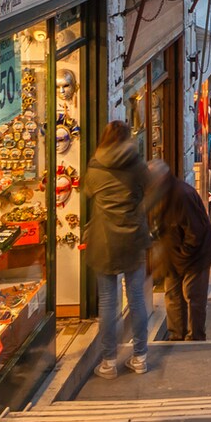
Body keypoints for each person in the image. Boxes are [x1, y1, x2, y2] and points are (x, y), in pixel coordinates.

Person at [85, 121, 152, 376]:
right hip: (133, 237)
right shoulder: (136, 165)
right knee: (136, 299)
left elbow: (89, 191)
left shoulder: (95, 165)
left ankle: (109, 362)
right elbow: (151, 190)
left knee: (108, 303)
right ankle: (140, 357)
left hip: (104, 239)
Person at [146, 160, 211, 342]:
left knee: (193, 296)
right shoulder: (158, 194)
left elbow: (195, 232)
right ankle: (176, 334)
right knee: (172, 295)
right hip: (174, 254)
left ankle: (195, 337)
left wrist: (183, 255)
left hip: (194, 255)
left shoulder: (181, 195)